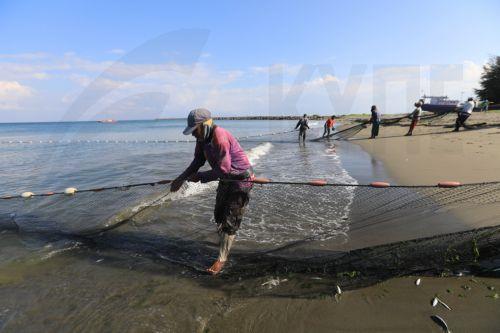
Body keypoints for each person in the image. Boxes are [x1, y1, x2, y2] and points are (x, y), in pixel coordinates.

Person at [170, 108, 254, 275]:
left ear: (205, 125)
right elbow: (198, 160)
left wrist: (201, 176)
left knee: (230, 220)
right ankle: (225, 240)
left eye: (195, 130)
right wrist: (180, 178)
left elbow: (223, 170)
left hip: (240, 180)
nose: (193, 135)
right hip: (225, 178)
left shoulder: (220, 138)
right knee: (218, 215)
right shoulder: (202, 138)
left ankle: (221, 258)